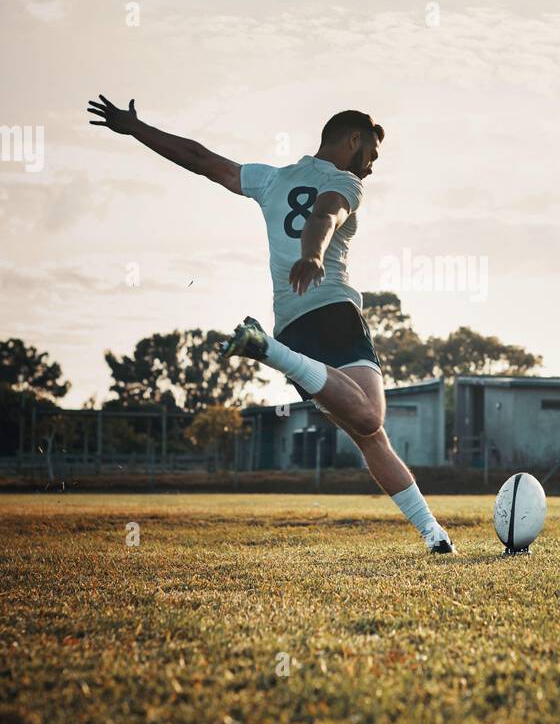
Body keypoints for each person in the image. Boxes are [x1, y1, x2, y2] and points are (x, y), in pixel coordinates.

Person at [87, 96, 454, 552]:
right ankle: (267, 351)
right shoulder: (345, 182)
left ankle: (433, 534)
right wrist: (313, 254)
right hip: (333, 311)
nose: (372, 168)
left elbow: (201, 160)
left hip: (294, 329)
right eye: (372, 156)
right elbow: (326, 213)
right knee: (370, 417)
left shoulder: (271, 178)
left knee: (369, 433)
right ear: (353, 140)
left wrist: (137, 128)